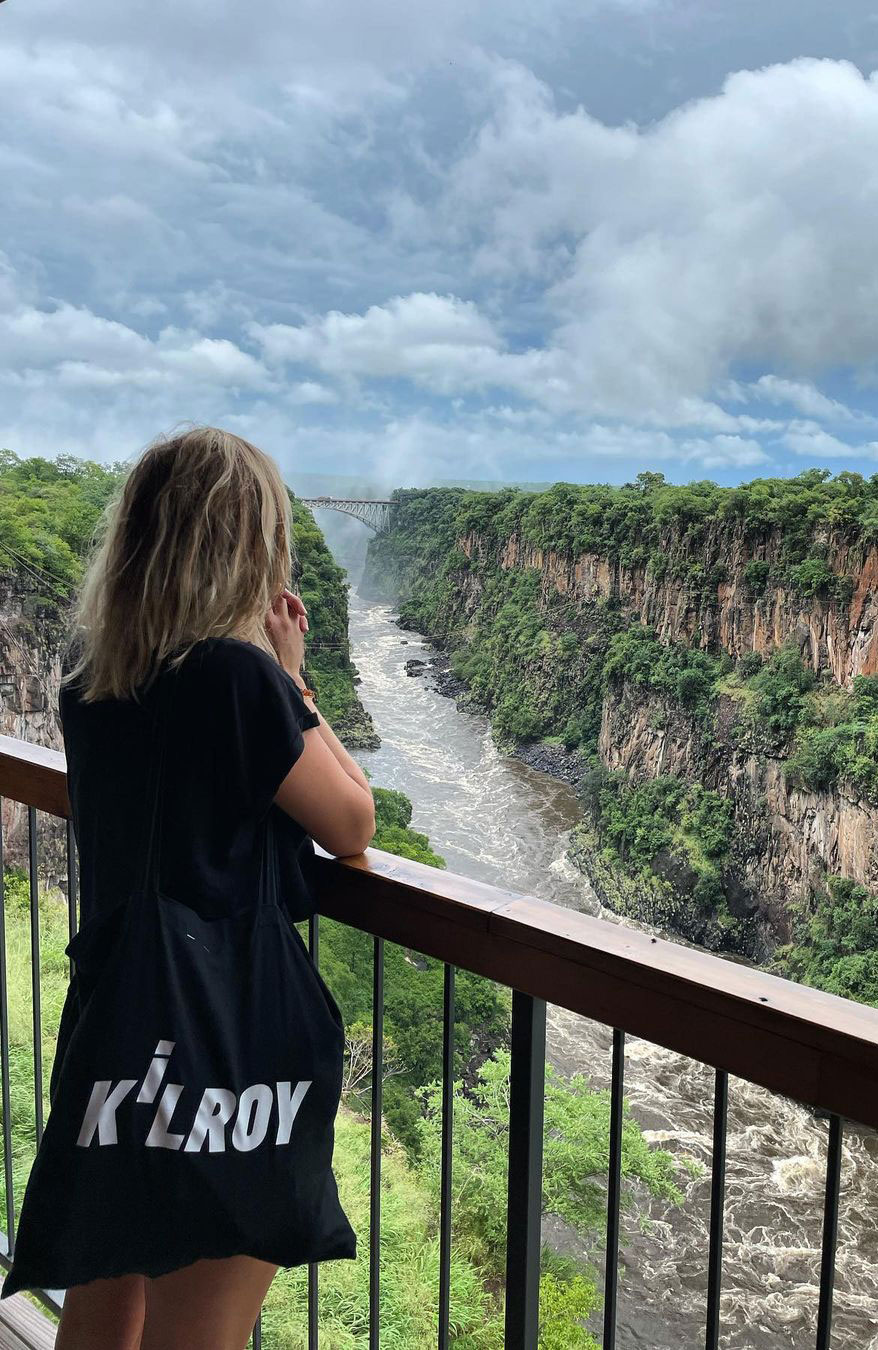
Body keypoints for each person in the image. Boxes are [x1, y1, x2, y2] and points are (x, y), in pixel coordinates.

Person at [44, 426, 374, 1350]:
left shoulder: (89, 671)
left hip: (118, 1011)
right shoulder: (237, 678)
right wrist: (295, 681)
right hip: (226, 1044)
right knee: (204, 1330)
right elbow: (351, 822)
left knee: (102, 1307)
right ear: (246, 546)